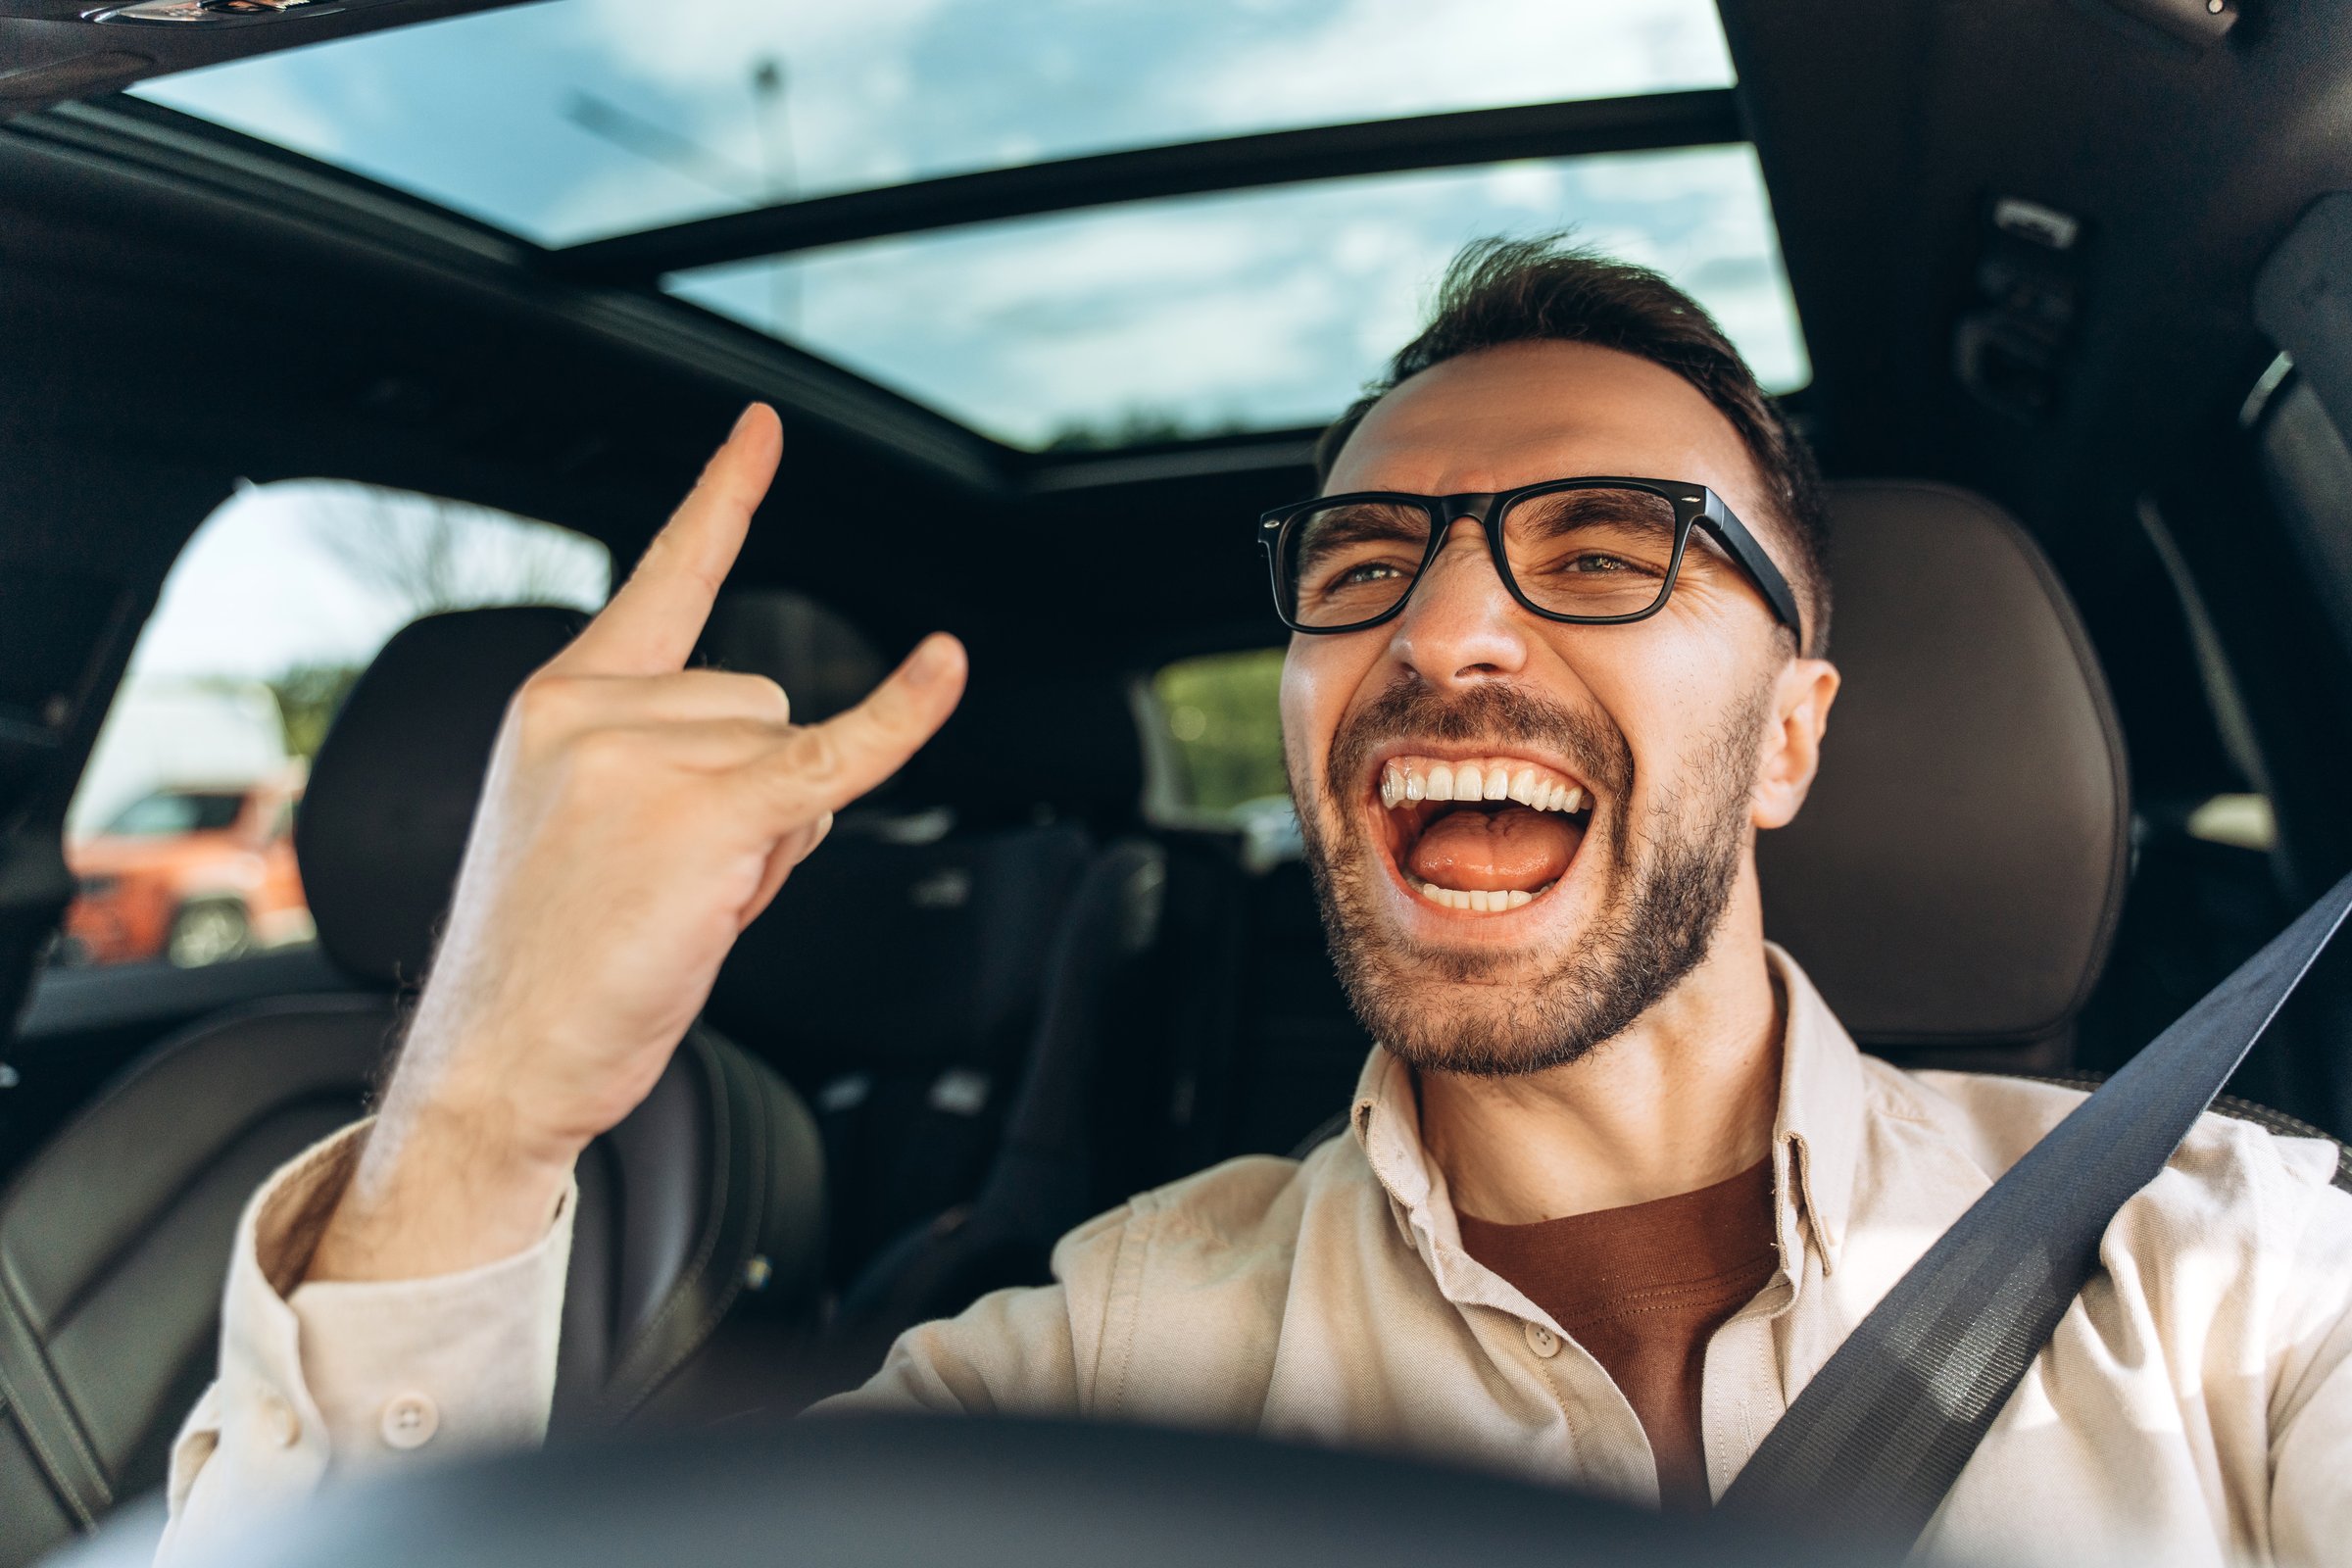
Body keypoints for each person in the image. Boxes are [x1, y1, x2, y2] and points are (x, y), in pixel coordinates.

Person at [157, 239, 2352, 1567]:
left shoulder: (2238, 1272)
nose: (1453, 626)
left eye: (1601, 552)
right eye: (1363, 559)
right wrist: (481, 1113)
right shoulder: (1107, 1354)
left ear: (1790, 734)